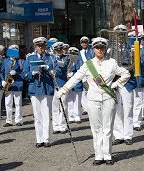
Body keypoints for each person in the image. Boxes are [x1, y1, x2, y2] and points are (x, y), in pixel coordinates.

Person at [54, 37, 131, 165]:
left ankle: (107, 155)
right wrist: (63, 90)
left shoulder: (112, 62)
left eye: (102, 48)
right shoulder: (88, 64)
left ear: (105, 49)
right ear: (93, 49)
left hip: (108, 98)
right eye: (97, 48)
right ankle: (98, 155)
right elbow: (76, 78)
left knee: (108, 128)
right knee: (96, 129)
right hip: (93, 99)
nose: (99, 50)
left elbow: (126, 74)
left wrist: (116, 84)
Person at [22, 37, 55, 148]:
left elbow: (57, 71)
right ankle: (39, 139)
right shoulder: (30, 58)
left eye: (43, 46)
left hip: (46, 88)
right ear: (35, 46)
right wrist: (33, 73)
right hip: (34, 88)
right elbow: (24, 74)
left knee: (46, 115)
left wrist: (48, 69)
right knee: (37, 116)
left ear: (45, 46)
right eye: (38, 46)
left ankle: (46, 139)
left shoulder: (51, 57)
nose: (41, 48)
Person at [1, 45, 24, 127]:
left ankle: (18, 120)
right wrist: (2, 80)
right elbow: (2, 72)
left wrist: (16, 73)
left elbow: (24, 73)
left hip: (17, 84)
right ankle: (9, 120)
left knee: (18, 103)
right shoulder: (5, 61)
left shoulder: (20, 61)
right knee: (8, 103)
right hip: (8, 84)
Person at [50, 41, 70, 134]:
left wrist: (56, 70)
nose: (59, 51)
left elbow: (63, 67)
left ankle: (63, 125)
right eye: (57, 50)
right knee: (55, 106)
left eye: (60, 49)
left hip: (62, 84)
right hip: (53, 85)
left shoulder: (66, 58)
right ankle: (56, 126)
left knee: (64, 106)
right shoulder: (50, 58)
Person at [78, 36, 94, 115]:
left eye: (85, 42)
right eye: (83, 42)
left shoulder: (92, 51)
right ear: (80, 44)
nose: (84, 44)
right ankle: (85, 108)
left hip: (92, 72)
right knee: (84, 91)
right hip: (83, 73)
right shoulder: (79, 52)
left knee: (91, 89)